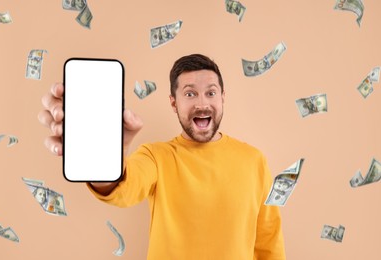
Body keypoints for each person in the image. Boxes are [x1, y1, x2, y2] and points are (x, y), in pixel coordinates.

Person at [38, 53, 286, 259]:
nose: (202, 103)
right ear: (173, 102)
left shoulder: (254, 161)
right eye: (190, 94)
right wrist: (103, 152)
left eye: (210, 93)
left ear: (223, 98)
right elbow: (124, 188)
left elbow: (269, 242)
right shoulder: (155, 156)